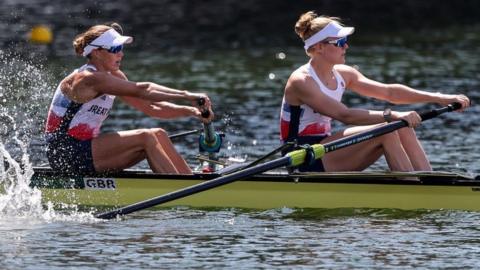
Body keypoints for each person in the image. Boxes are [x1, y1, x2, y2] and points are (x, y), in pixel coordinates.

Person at [280, 11, 470, 172]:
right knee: (387, 129)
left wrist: (439, 98)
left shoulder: (344, 74)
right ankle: (412, 188)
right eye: (340, 42)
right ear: (319, 47)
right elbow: (345, 115)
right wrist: (393, 115)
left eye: (345, 40)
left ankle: (428, 181)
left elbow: (389, 93)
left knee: (401, 126)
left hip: (327, 147)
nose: (346, 46)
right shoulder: (302, 81)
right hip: (302, 158)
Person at [45, 23, 214, 175]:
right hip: (64, 154)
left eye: (121, 48)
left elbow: (151, 108)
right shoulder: (88, 78)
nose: (121, 54)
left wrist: (191, 111)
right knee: (145, 137)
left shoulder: (113, 76)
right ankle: (182, 192)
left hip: (84, 149)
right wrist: (187, 95)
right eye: (115, 49)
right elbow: (144, 89)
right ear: (96, 52)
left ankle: (189, 181)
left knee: (159, 134)